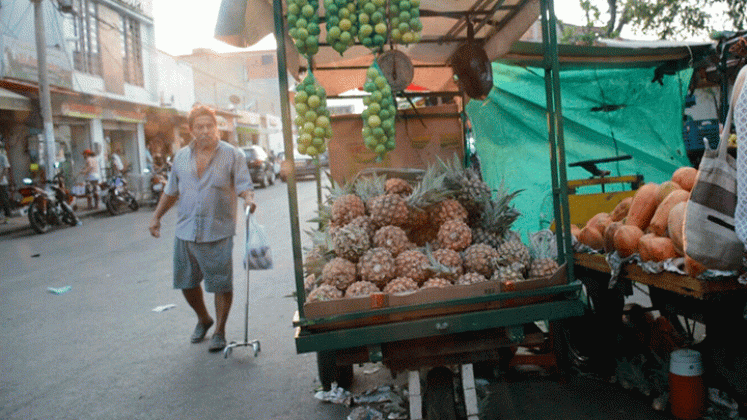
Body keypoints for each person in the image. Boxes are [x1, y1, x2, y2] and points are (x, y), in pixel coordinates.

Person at [148, 105, 256, 353]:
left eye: (210, 126)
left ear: (217, 127)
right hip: (185, 229)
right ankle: (204, 318)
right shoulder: (181, 158)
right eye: (200, 127)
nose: (206, 130)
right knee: (186, 282)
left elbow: (243, 185)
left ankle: (219, 330)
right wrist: (156, 217)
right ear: (191, 130)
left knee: (220, 283)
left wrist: (248, 199)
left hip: (217, 230)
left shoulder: (232, 155)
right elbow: (171, 191)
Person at [0, 141, 11, 223]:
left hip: (2, 183)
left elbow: (6, 169)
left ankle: (7, 217)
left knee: (4, 199)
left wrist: (1, 178)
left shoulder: (2, 157)